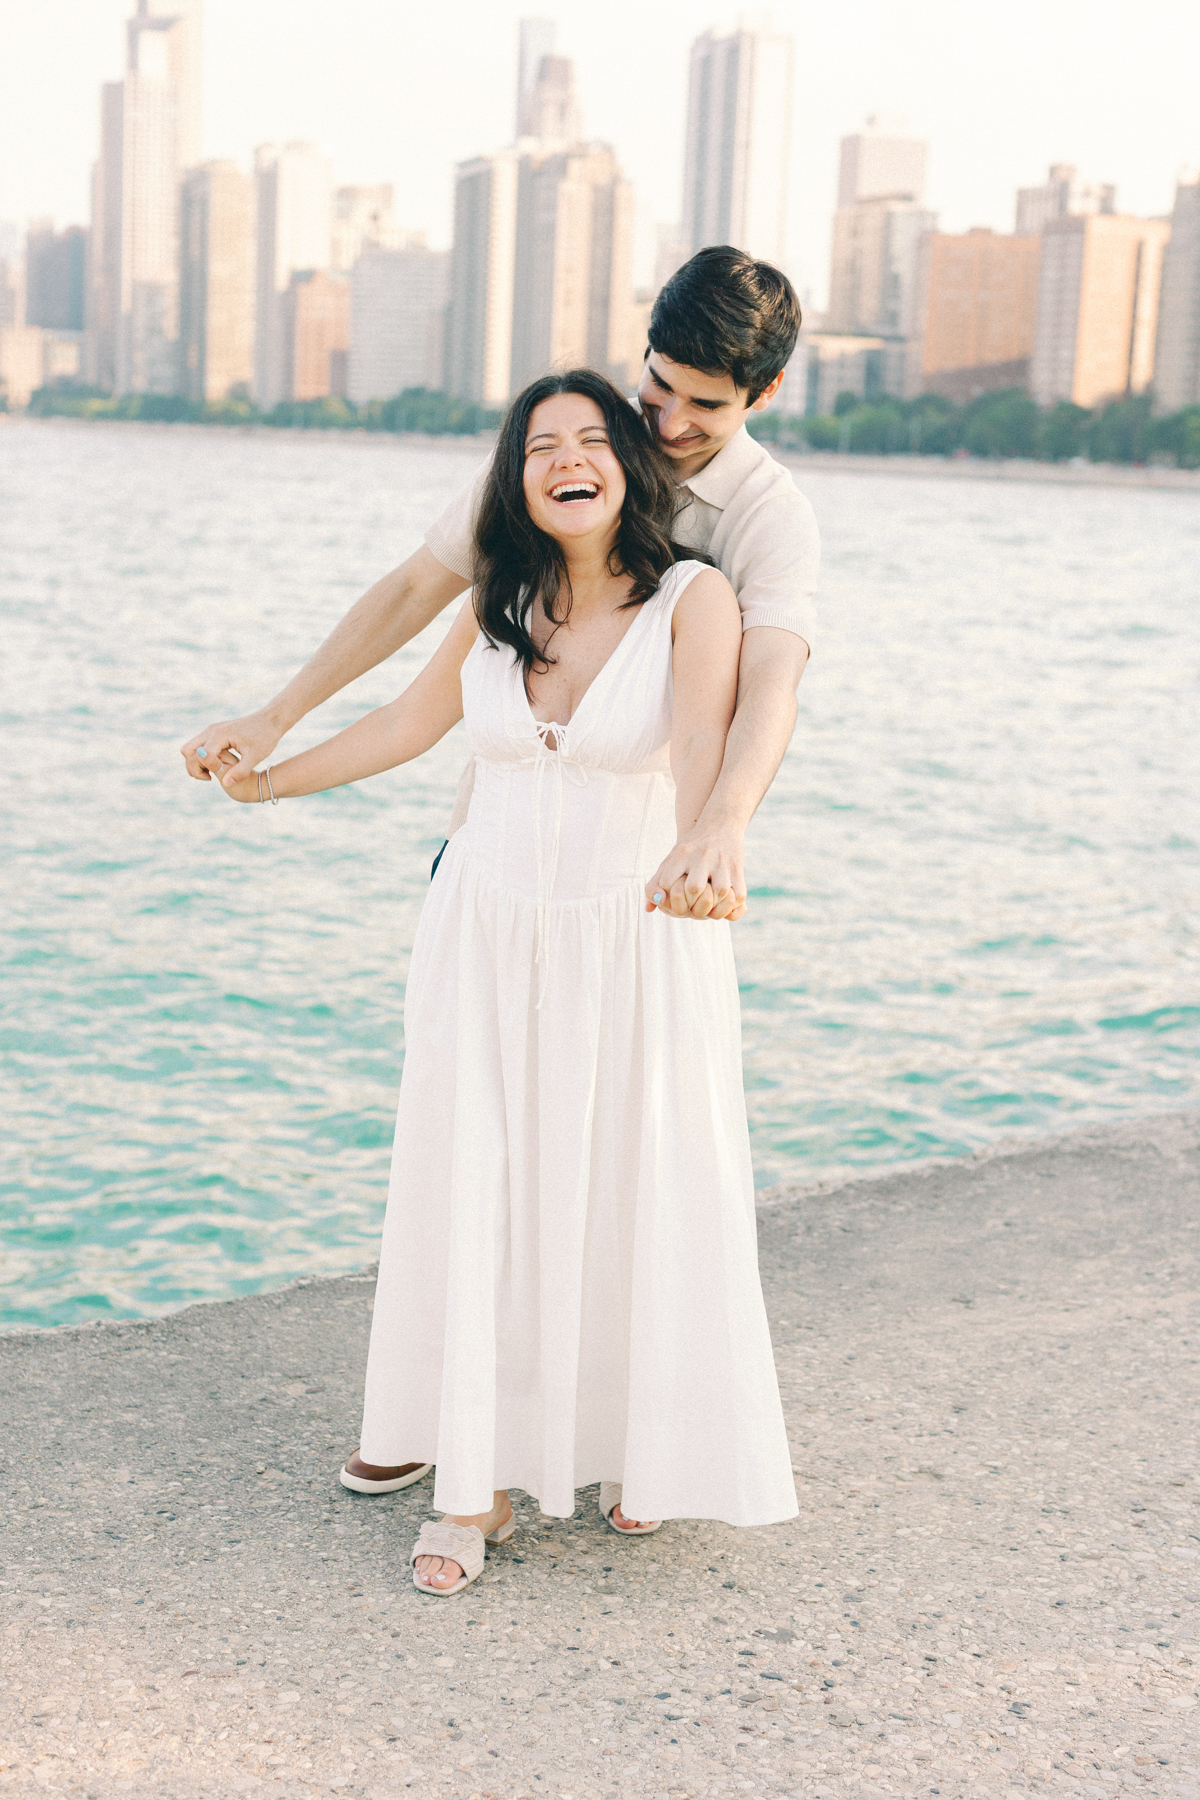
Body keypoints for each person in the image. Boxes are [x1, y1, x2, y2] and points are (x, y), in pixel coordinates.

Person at [181, 243, 820, 1495]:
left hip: (635, 883)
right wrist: (273, 721)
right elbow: (413, 605)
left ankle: (638, 1444)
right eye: (660, 387)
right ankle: (432, 1414)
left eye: (706, 404)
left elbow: (769, 683)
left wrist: (724, 827)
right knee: (464, 1148)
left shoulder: (761, 519)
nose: (670, 423)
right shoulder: (574, 447)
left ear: (765, 395)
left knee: (628, 1160)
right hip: (495, 870)